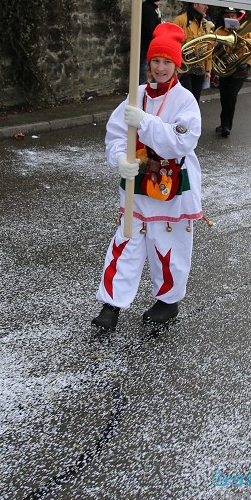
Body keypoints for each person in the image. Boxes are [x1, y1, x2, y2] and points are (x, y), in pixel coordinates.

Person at [92, 23, 203, 330]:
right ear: (149, 63)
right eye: (156, 61)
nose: (161, 67)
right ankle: (111, 305)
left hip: (172, 189)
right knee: (125, 243)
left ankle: (168, 302)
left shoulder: (186, 100)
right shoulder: (135, 94)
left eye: (167, 61)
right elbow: (115, 135)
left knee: (168, 248)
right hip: (137, 185)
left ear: (176, 64)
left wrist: (145, 121)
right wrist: (120, 159)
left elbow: (181, 141)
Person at [213, 11, 251, 137]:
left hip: (238, 70)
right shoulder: (219, 31)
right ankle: (223, 123)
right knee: (224, 96)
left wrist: (247, 63)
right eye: (228, 16)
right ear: (224, 17)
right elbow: (212, 49)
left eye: (233, 16)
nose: (231, 18)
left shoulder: (246, 31)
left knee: (231, 96)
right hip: (224, 69)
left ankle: (227, 126)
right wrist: (217, 47)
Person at [173, 3, 213, 101]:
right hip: (183, 69)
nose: (207, 7)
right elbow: (173, 43)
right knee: (185, 100)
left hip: (199, 68)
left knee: (195, 100)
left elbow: (209, 48)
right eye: (204, 4)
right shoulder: (180, 20)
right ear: (195, 4)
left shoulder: (206, 24)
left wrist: (208, 69)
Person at [139, 0, 162, 82]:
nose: (160, 3)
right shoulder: (150, 10)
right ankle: (144, 84)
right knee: (144, 64)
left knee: (145, 64)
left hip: (145, 42)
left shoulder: (148, 7)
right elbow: (150, 29)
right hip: (147, 43)